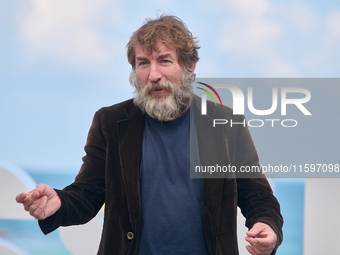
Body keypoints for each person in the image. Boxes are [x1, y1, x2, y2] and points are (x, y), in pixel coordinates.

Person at [16, 15, 283, 255]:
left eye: (164, 61)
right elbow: (87, 194)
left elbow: (258, 197)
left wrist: (267, 225)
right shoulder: (110, 122)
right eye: (143, 63)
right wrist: (59, 202)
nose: (153, 75)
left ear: (190, 66)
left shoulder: (226, 124)